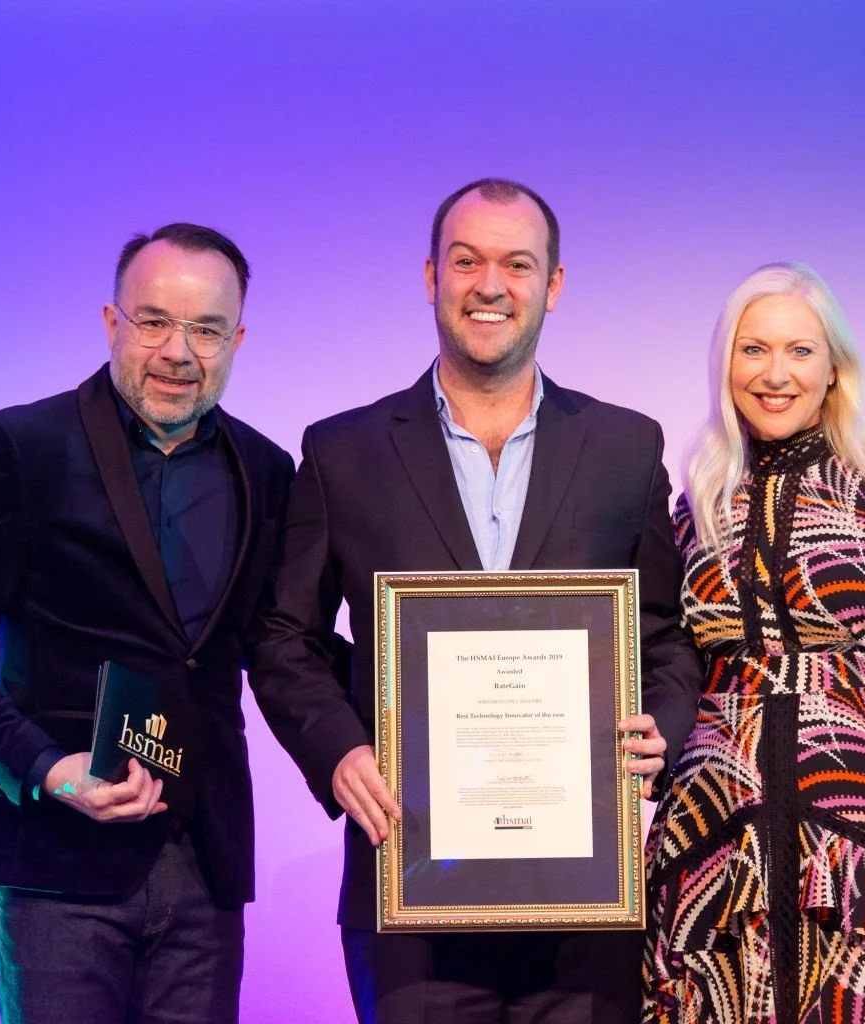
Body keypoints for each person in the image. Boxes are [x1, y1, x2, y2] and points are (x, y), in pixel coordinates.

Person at [249, 178, 704, 1023]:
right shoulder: (345, 451)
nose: (489, 285)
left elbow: (665, 637)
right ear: (432, 277)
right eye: (466, 261)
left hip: (583, 894)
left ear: (552, 286)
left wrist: (663, 731)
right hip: (409, 887)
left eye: (517, 264)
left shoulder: (624, 446)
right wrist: (339, 751)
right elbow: (284, 638)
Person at [0, 223, 293, 1024]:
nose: (178, 351)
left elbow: (277, 645)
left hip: (204, 869)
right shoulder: (22, 448)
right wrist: (46, 768)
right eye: (154, 322)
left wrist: (415, 695)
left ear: (237, 340)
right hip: (58, 867)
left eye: (206, 329)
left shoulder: (267, 469)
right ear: (112, 322)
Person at [642, 263, 865, 1023]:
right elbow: (669, 667)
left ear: (834, 369)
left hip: (864, 855)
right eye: (753, 349)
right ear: (726, 365)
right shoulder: (695, 505)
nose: (775, 374)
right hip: (714, 851)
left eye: (800, 351)